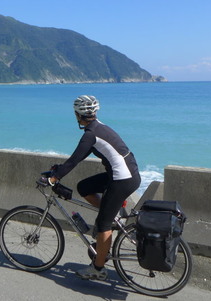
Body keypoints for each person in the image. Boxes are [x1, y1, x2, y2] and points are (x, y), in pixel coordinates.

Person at [47, 95, 141, 280]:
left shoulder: (90, 135)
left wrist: (53, 178)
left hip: (122, 179)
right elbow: (74, 160)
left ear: (77, 115)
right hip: (128, 174)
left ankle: (98, 269)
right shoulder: (100, 127)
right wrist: (58, 171)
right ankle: (111, 212)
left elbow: (75, 160)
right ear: (94, 113)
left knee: (104, 225)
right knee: (84, 187)